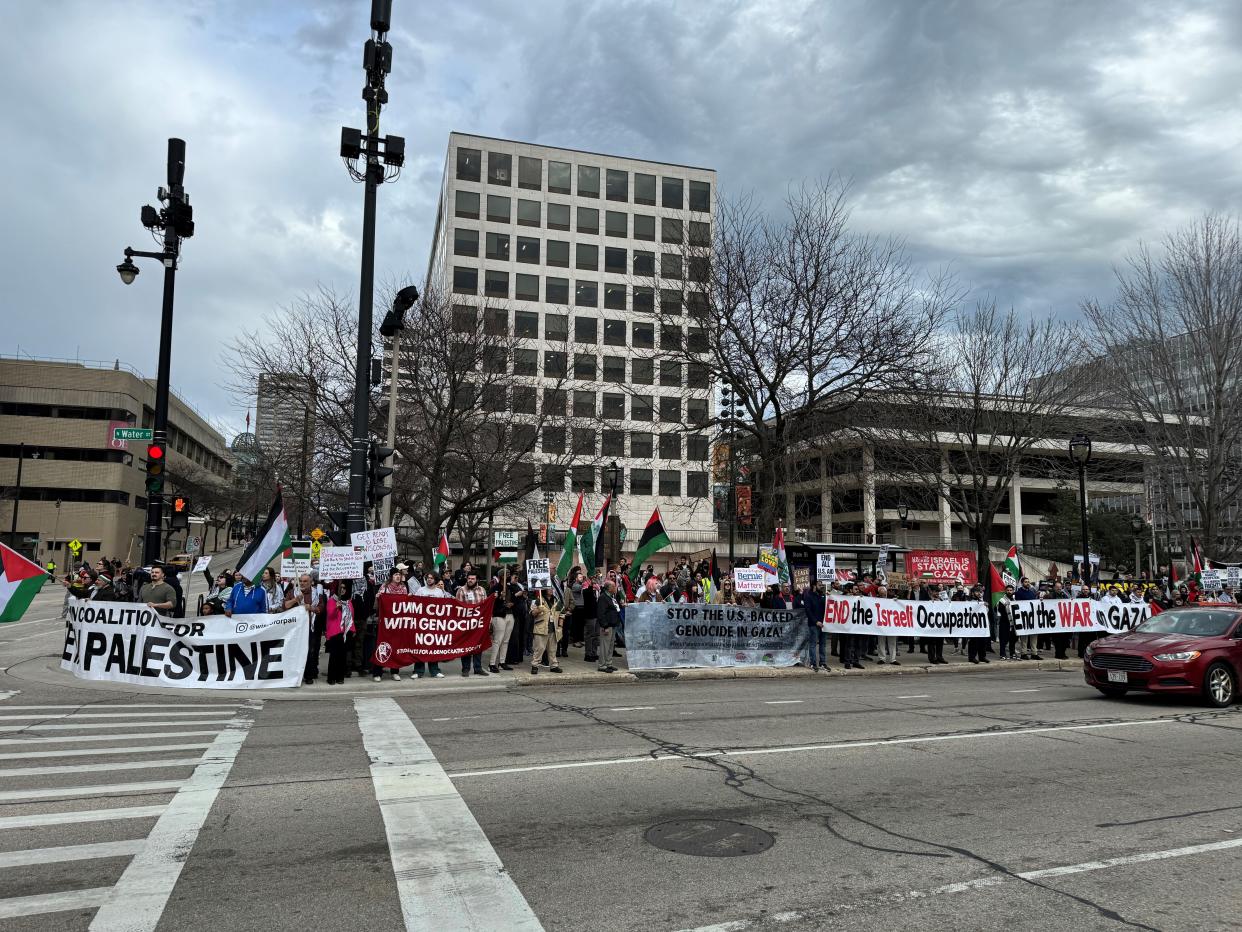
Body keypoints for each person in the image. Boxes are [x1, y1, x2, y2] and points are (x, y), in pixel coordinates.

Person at [372, 568, 409, 682]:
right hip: (385, 623)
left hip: (398, 623)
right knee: (382, 645)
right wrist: (378, 598)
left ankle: (395, 671)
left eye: (399, 574)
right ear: (391, 576)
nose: (398, 576)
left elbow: (406, 605)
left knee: (396, 646)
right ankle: (377, 672)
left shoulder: (403, 588)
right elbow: (376, 607)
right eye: (395, 574)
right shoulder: (385, 587)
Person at [410, 572, 447, 678]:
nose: (429, 579)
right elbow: (415, 605)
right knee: (420, 647)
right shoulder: (421, 590)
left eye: (431, 578)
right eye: (428, 578)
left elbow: (443, 607)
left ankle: (435, 671)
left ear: (435, 580)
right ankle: (418, 671)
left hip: (434, 624)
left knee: (433, 648)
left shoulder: (439, 592)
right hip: (422, 624)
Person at [456, 571, 490, 677]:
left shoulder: (482, 590)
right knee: (466, 646)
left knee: (478, 646)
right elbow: (458, 607)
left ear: (477, 580)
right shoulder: (461, 590)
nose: (470, 580)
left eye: (472, 579)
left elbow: (486, 606)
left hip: (479, 624)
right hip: (466, 623)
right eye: (469, 578)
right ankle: (465, 669)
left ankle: (478, 668)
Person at [294, 573, 326, 685]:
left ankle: (309, 675)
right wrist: (295, 600)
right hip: (297, 628)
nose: (302, 583)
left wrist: (311, 608)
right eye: (301, 581)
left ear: (311, 582)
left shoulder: (317, 593)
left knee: (311, 651)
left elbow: (321, 608)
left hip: (312, 628)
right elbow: (285, 606)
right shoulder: (294, 592)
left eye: (305, 581)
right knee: (298, 651)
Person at [324, 580, 355, 686]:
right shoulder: (331, 601)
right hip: (334, 632)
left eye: (344, 588)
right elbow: (330, 616)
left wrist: (352, 629)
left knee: (343, 656)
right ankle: (331, 678)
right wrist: (337, 607)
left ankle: (340, 677)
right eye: (340, 588)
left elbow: (351, 616)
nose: (342, 590)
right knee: (334, 656)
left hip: (345, 632)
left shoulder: (348, 601)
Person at [487, 570, 516, 673]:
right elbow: (490, 601)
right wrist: (499, 597)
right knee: (497, 640)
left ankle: (502, 662)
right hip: (499, 615)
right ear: (501, 576)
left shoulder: (510, 587)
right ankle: (492, 663)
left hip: (510, 614)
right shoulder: (495, 588)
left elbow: (514, 600)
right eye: (506, 574)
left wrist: (512, 603)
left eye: (509, 573)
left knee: (506, 640)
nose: (508, 575)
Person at [529, 588, 564, 674]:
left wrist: (560, 626)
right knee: (539, 648)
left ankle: (554, 666)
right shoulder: (539, 600)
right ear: (544, 590)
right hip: (541, 628)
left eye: (552, 589)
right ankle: (535, 666)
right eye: (549, 589)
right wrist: (538, 610)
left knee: (553, 649)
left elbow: (562, 614)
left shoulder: (556, 600)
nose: (551, 590)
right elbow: (532, 613)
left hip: (554, 629)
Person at [596, 580, 622, 673]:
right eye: (614, 586)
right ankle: (602, 665)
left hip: (613, 624)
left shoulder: (612, 597)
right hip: (607, 626)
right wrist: (605, 626)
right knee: (604, 646)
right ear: (609, 588)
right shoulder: (603, 597)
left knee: (611, 646)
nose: (615, 588)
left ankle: (609, 663)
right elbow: (601, 613)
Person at [873, 584, 899, 666]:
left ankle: (893, 659)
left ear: (886, 592)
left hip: (891, 623)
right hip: (881, 623)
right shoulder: (875, 600)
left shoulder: (892, 599)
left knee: (892, 642)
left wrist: (896, 601)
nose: (882, 595)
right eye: (881, 594)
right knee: (881, 641)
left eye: (883, 593)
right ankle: (882, 658)